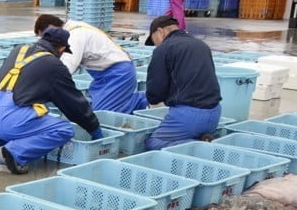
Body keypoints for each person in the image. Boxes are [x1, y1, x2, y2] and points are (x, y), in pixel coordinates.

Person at [0, 25, 102, 175]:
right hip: (11, 120)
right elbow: (73, 103)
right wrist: (94, 128)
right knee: (63, 129)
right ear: (60, 49)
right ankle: (17, 153)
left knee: (27, 119)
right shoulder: (54, 65)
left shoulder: (18, 51)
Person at [33, 14, 146, 115]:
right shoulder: (75, 28)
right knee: (98, 108)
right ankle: (134, 100)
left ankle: (146, 99)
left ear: (52, 28)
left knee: (102, 114)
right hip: (104, 75)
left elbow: (66, 67)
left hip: (118, 73)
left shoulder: (73, 36)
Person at [143, 14, 222, 150]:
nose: (155, 45)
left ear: (160, 32)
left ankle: (197, 145)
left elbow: (155, 95)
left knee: (153, 142)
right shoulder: (201, 45)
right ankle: (202, 140)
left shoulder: (164, 49)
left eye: (154, 40)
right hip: (215, 112)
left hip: (188, 116)